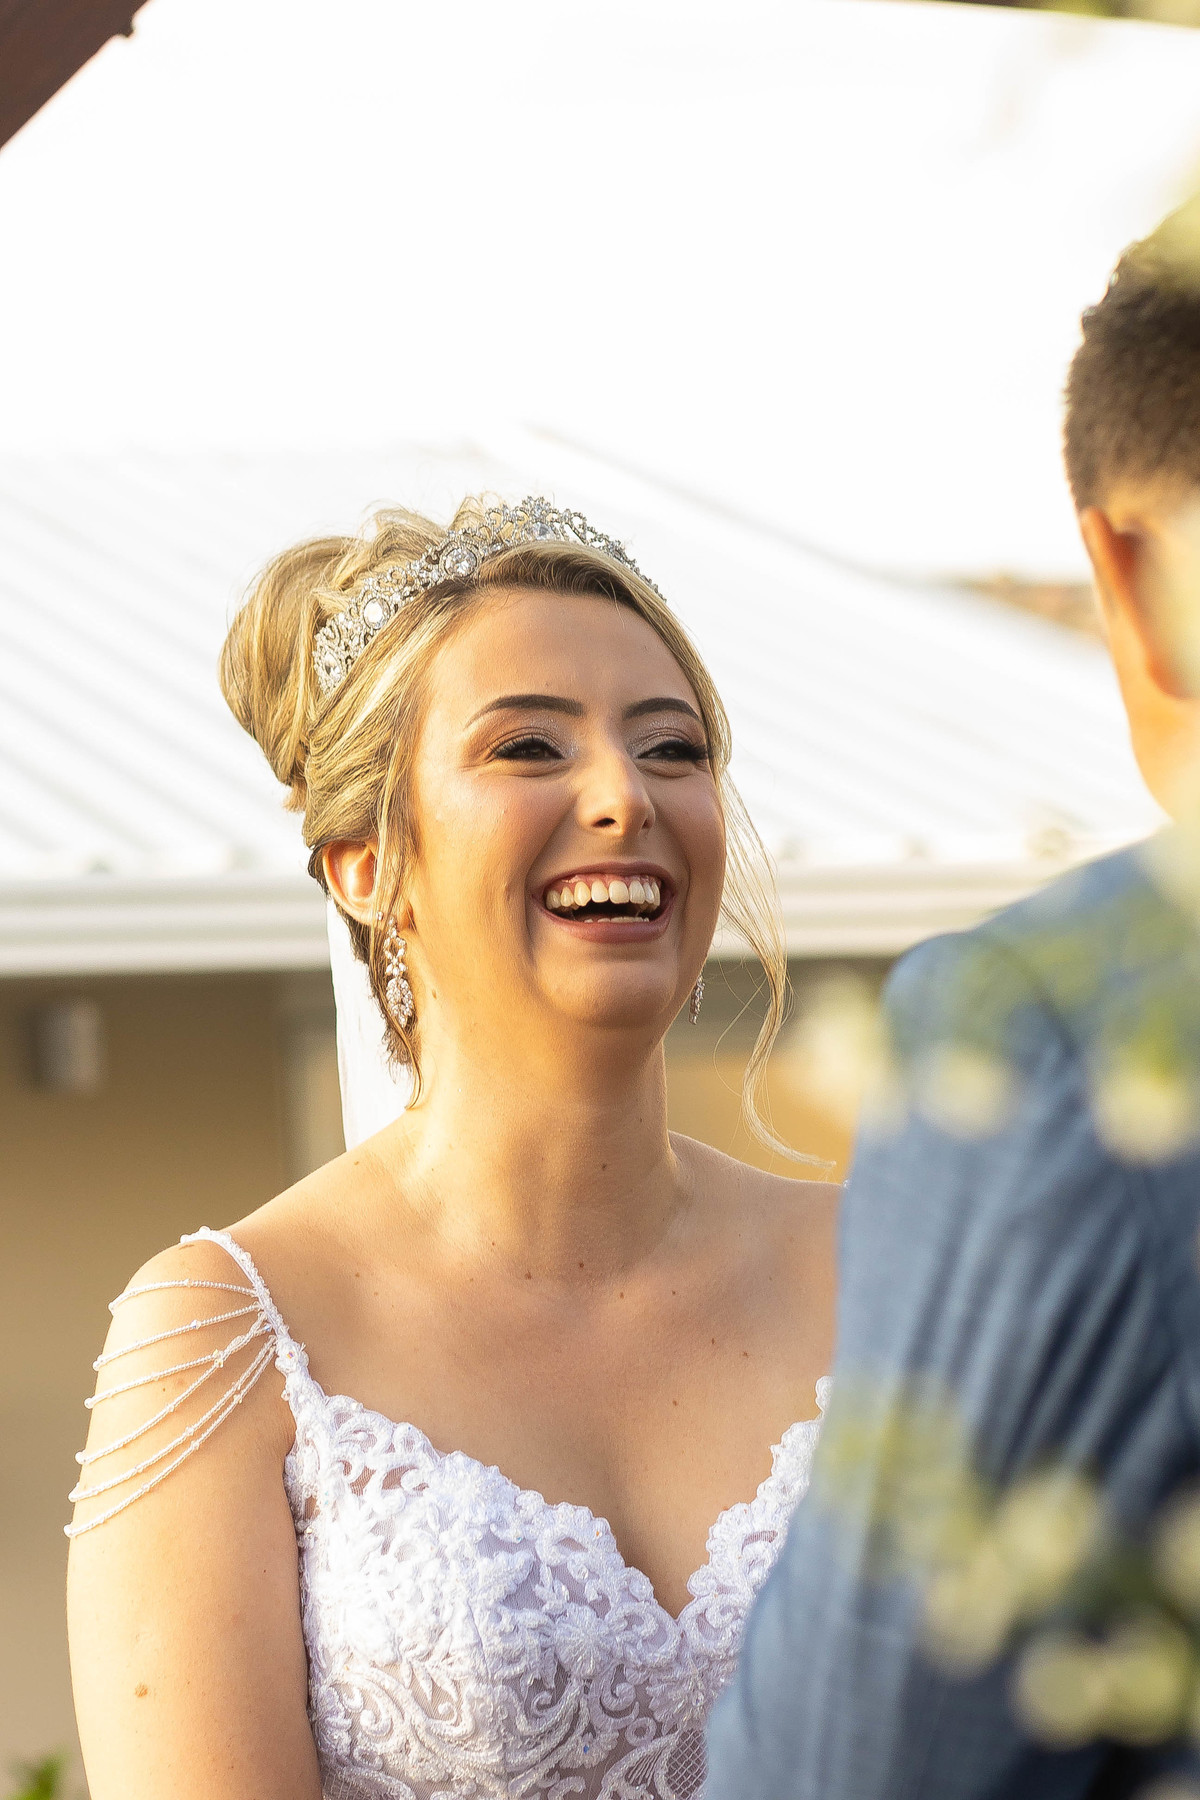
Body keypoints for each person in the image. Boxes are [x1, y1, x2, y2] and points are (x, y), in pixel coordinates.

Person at [65, 495, 838, 1800]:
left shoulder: (894, 1273)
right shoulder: (227, 1340)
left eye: (675, 749)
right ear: (365, 864)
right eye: (530, 745)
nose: (623, 797)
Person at [706, 206, 1200, 1797]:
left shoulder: (1062, 1027)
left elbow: (863, 1767)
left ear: (1124, 571)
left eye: (672, 744)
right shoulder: (235, 1319)